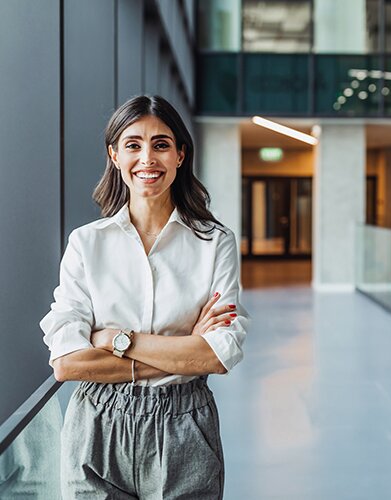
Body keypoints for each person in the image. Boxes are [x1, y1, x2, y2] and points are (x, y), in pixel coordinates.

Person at [39, 94, 250, 499]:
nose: (147, 158)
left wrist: (118, 341)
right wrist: (184, 348)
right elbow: (67, 364)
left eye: (161, 144)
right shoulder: (86, 244)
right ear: (114, 156)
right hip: (96, 426)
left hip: (184, 424)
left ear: (180, 155)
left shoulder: (215, 243)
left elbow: (218, 355)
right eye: (133, 145)